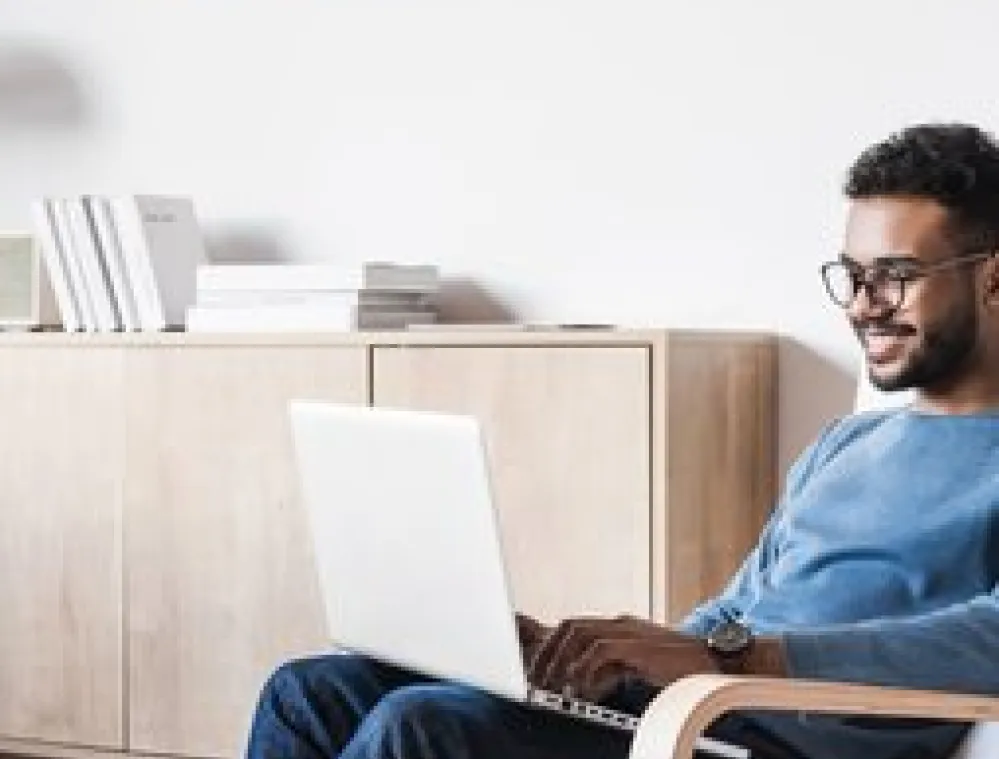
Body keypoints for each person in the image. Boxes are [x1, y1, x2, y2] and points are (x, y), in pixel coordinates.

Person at [245, 122, 999, 759]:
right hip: (702, 706)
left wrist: (733, 660)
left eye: (895, 276)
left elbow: (986, 639)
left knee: (420, 727)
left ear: (992, 278)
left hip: (771, 742)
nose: (863, 305)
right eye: (851, 274)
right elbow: (739, 608)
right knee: (309, 690)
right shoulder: (846, 442)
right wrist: (591, 659)